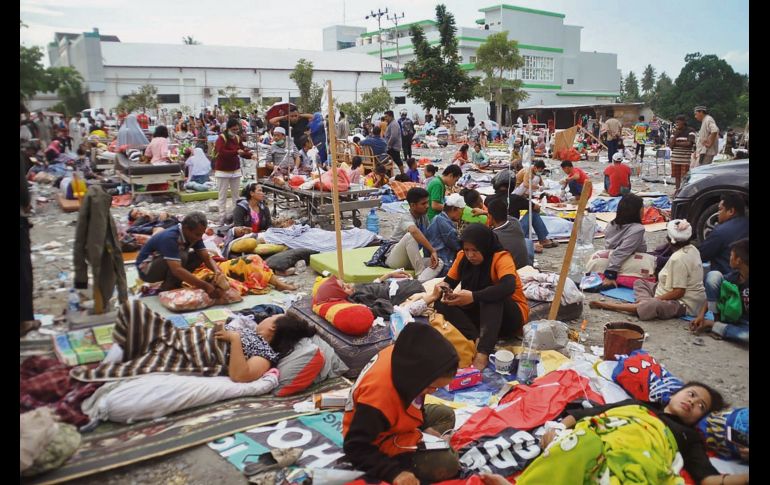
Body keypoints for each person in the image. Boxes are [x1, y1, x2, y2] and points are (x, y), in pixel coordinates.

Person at [515, 382, 749, 485]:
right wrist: (557, 427)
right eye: (691, 394)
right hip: (600, 441)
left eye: (701, 406)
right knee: (579, 443)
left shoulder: (688, 436)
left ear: (700, 419)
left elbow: (707, 478)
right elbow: (589, 414)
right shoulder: (639, 405)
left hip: (641, 459)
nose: (693, 401)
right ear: (674, 394)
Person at [343, 323, 460, 485]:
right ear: (416, 378)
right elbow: (355, 447)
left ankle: (429, 443)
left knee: (445, 415)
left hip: (395, 420)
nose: (433, 392)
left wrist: (424, 428)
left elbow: (418, 403)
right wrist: (394, 473)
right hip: (378, 438)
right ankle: (411, 458)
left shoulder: (406, 358)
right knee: (448, 464)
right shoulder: (378, 398)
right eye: (431, 387)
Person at [435, 224, 529, 370]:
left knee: (491, 296)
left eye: (475, 250)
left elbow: (508, 287)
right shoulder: (462, 257)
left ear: (485, 247)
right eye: (467, 250)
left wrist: (474, 296)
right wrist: (444, 288)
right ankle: (477, 337)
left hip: (508, 317)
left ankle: (483, 353)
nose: (470, 255)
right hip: (481, 317)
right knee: (441, 303)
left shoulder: (501, 257)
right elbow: (449, 281)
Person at [590, 219, 706, 320]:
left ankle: (609, 306)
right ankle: (643, 303)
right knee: (640, 282)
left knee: (651, 305)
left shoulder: (678, 258)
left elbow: (679, 292)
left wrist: (657, 299)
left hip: (683, 303)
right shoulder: (692, 249)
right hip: (666, 290)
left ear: (669, 239)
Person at [135, 212, 224, 298]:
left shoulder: (196, 235)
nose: (199, 238)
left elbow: (206, 257)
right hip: (146, 270)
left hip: (161, 263)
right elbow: (176, 270)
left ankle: (174, 283)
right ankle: (167, 288)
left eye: (201, 234)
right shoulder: (170, 237)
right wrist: (205, 286)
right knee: (181, 256)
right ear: (185, 228)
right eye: (197, 234)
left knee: (198, 256)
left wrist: (217, 272)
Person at [691, 238, 749, 344]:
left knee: (746, 335)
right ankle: (718, 322)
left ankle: (714, 326)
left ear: (738, 260)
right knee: (713, 276)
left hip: (745, 323)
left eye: (731, 255)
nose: (729, 258)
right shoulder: (735, 276)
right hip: (732, 316)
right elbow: (711, 296)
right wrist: (701, 315)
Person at [588, 194, 647, 290]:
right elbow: (622, 252)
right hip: (622, 262)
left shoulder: (612, 224)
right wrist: (610, 274)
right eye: (642, 207)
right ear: (638, 210)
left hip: (607, 258)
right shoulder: (637, 229)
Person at [384, 188, 442, 282]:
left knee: (439, 262)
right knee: (410, 236)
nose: (427, 206)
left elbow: (429, 235)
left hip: (411, 258)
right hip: (394, 259)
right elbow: (414, 231)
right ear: (413, 205)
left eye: (427, 202)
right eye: (423, 204)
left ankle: (420, 282)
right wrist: (433, 251)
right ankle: (420, 273)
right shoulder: (406, 217)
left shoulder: (423, 217)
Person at [484, 178, 557, 251]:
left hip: (496, 232)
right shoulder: (515, 199)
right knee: (532, 212)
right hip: (513, 232)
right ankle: (543, 240)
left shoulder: (488, 199)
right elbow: (536, 208)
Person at [698, 193, 749, 281]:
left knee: (711, 276)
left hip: (729, 279)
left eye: (720, 209)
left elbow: (702, 255)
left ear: (731, 211)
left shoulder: (720, 232)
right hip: (744, 277)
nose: (718, 213)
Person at [214, 119, 255, 221]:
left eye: (237, 129)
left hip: (235, 170)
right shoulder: (221, 138)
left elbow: (242, 151)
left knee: (236, 196)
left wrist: (250, 155)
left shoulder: (237, 138)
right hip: (222, 171)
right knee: (222, 196)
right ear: (228, 128)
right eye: (234, 129)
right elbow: (222, 152)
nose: (236, 131)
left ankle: (236, 217)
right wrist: (236, 152)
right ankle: (222, 218)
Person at [424, 193, 465, 276]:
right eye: (461, 211)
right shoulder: (443, 222)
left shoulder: (439, 218)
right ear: (454, 209)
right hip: (443, 263)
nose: (462, 214)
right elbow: (457, 246)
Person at [486, 197, 531, 269]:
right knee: (528, 242)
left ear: (490, 217)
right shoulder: (515, 222)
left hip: (510, 273)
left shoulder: (492, 237)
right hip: (525, 267)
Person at [669, 114, 696, 189]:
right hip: (675, 159)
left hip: (685, 159)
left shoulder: (690, 131)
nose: (677, 124)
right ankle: (677, 190)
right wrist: (675, 135)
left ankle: (683, 190)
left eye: (678, 122)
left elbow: (689, 143)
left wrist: (676, 143)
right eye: (676, 122)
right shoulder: (674, 132)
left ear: (683, 122)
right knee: (677, 177)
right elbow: (671, 145)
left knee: (684, 177)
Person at [384, 110, 404, 174]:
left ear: (391, 116)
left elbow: (394, 136)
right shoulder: (391, 124)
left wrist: (388, 145)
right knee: (387, 160)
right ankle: (388, 173)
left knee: (397, 160)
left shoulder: (394, 124)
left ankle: (403, 174)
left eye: (386, 117)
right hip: (391, 146)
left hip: (393, 147)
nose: (385, 118)